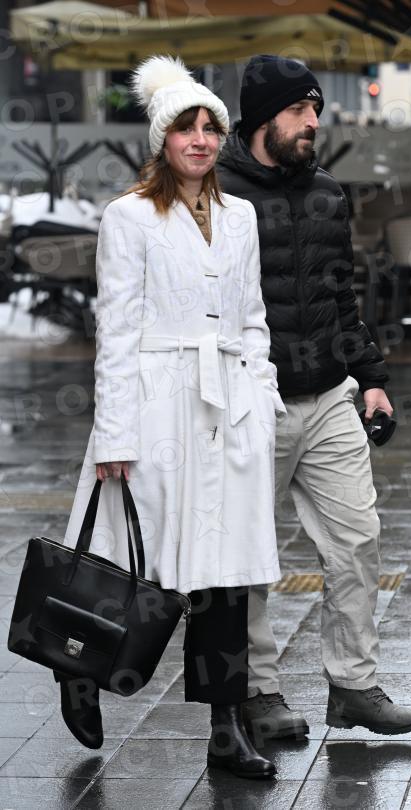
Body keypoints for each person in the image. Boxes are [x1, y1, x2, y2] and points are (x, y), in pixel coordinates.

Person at [59, 55, 287, 779]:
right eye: (185, 128)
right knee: (135, 557)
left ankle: (225, 728)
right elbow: (116, 329)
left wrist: (261, 391)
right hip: (156, 405)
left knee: (225, 573)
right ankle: (78, 668)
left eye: (210, 128)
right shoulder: (129, 216)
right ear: (162, 139)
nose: (199, 140)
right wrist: (115, 432)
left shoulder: (241, 215)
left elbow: (253, 317)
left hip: (228, 408)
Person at [217, 54, 411, 738]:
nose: (312, 121)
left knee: (357, 541)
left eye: (315, 109)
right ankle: (257, 693)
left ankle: (354, 687)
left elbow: (342, 297)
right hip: (253, 402)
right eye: (298, 110)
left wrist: (372, 379)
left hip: (331, 393)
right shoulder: (214, 194)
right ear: (261, 118)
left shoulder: (328, 195)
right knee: (248, 555)